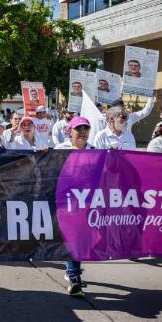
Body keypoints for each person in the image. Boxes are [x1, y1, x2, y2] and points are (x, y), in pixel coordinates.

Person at [54, 116, 93, 296]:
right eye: (79, 128)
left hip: (88, 203)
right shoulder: (60, 150)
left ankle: (72, 271)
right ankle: (74, 276)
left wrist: (114, 156)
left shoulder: (95, 151)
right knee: (73, 239)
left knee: (83, 241)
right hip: (66, 203)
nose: (83, 132)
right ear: (70, 131)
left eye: (86, 128)